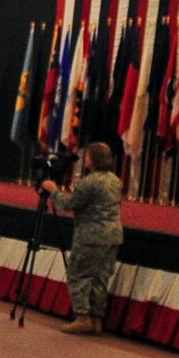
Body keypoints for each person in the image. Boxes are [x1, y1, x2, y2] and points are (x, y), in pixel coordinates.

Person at [41, 141, 124, 336]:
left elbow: (68, 204)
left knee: (78, 275)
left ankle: (82, 316)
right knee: (100, 278)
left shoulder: (89, 182)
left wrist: (54, 190)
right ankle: (96, 319)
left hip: (91, 236)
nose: (85, 159)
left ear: (93, 160)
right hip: (112, 236)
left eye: (87, 156)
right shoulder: (115, 181)